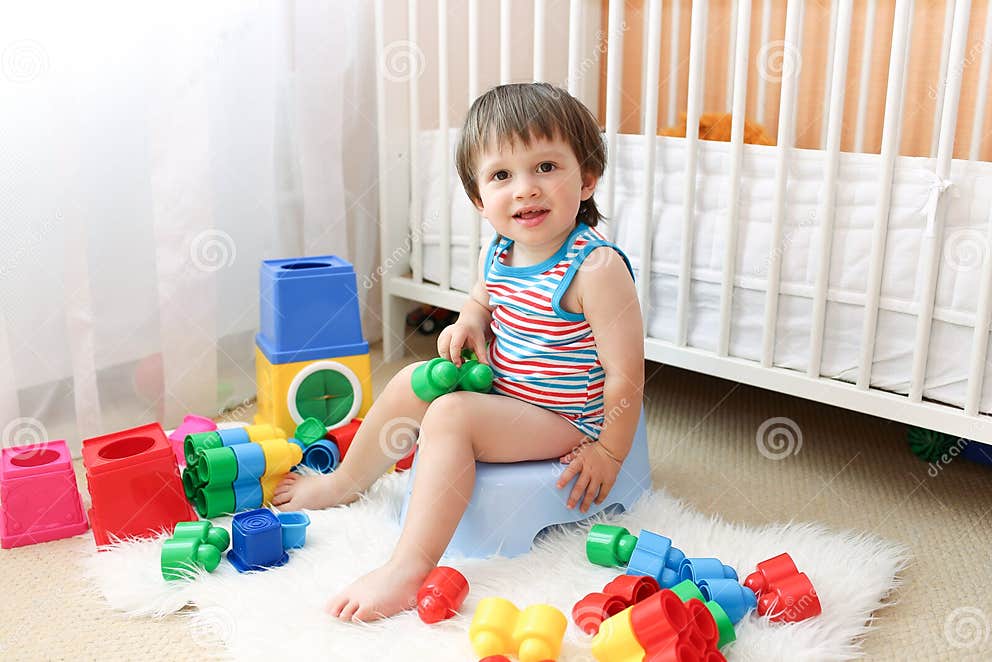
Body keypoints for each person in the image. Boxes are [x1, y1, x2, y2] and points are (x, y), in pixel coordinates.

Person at [273, 82, 644, 622]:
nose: (525, 190)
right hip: (510, 392)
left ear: (586, 179)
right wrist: (469, 322)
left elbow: (626, 375)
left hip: (568, 415)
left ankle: (407, 568)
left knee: (450, 415)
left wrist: (609, 452)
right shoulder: (500, 250)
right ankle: (345, 482)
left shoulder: (597, 268)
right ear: (478, 198)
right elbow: (480, 300)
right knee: (412, 379)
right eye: (501, 176)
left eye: (546, 167)